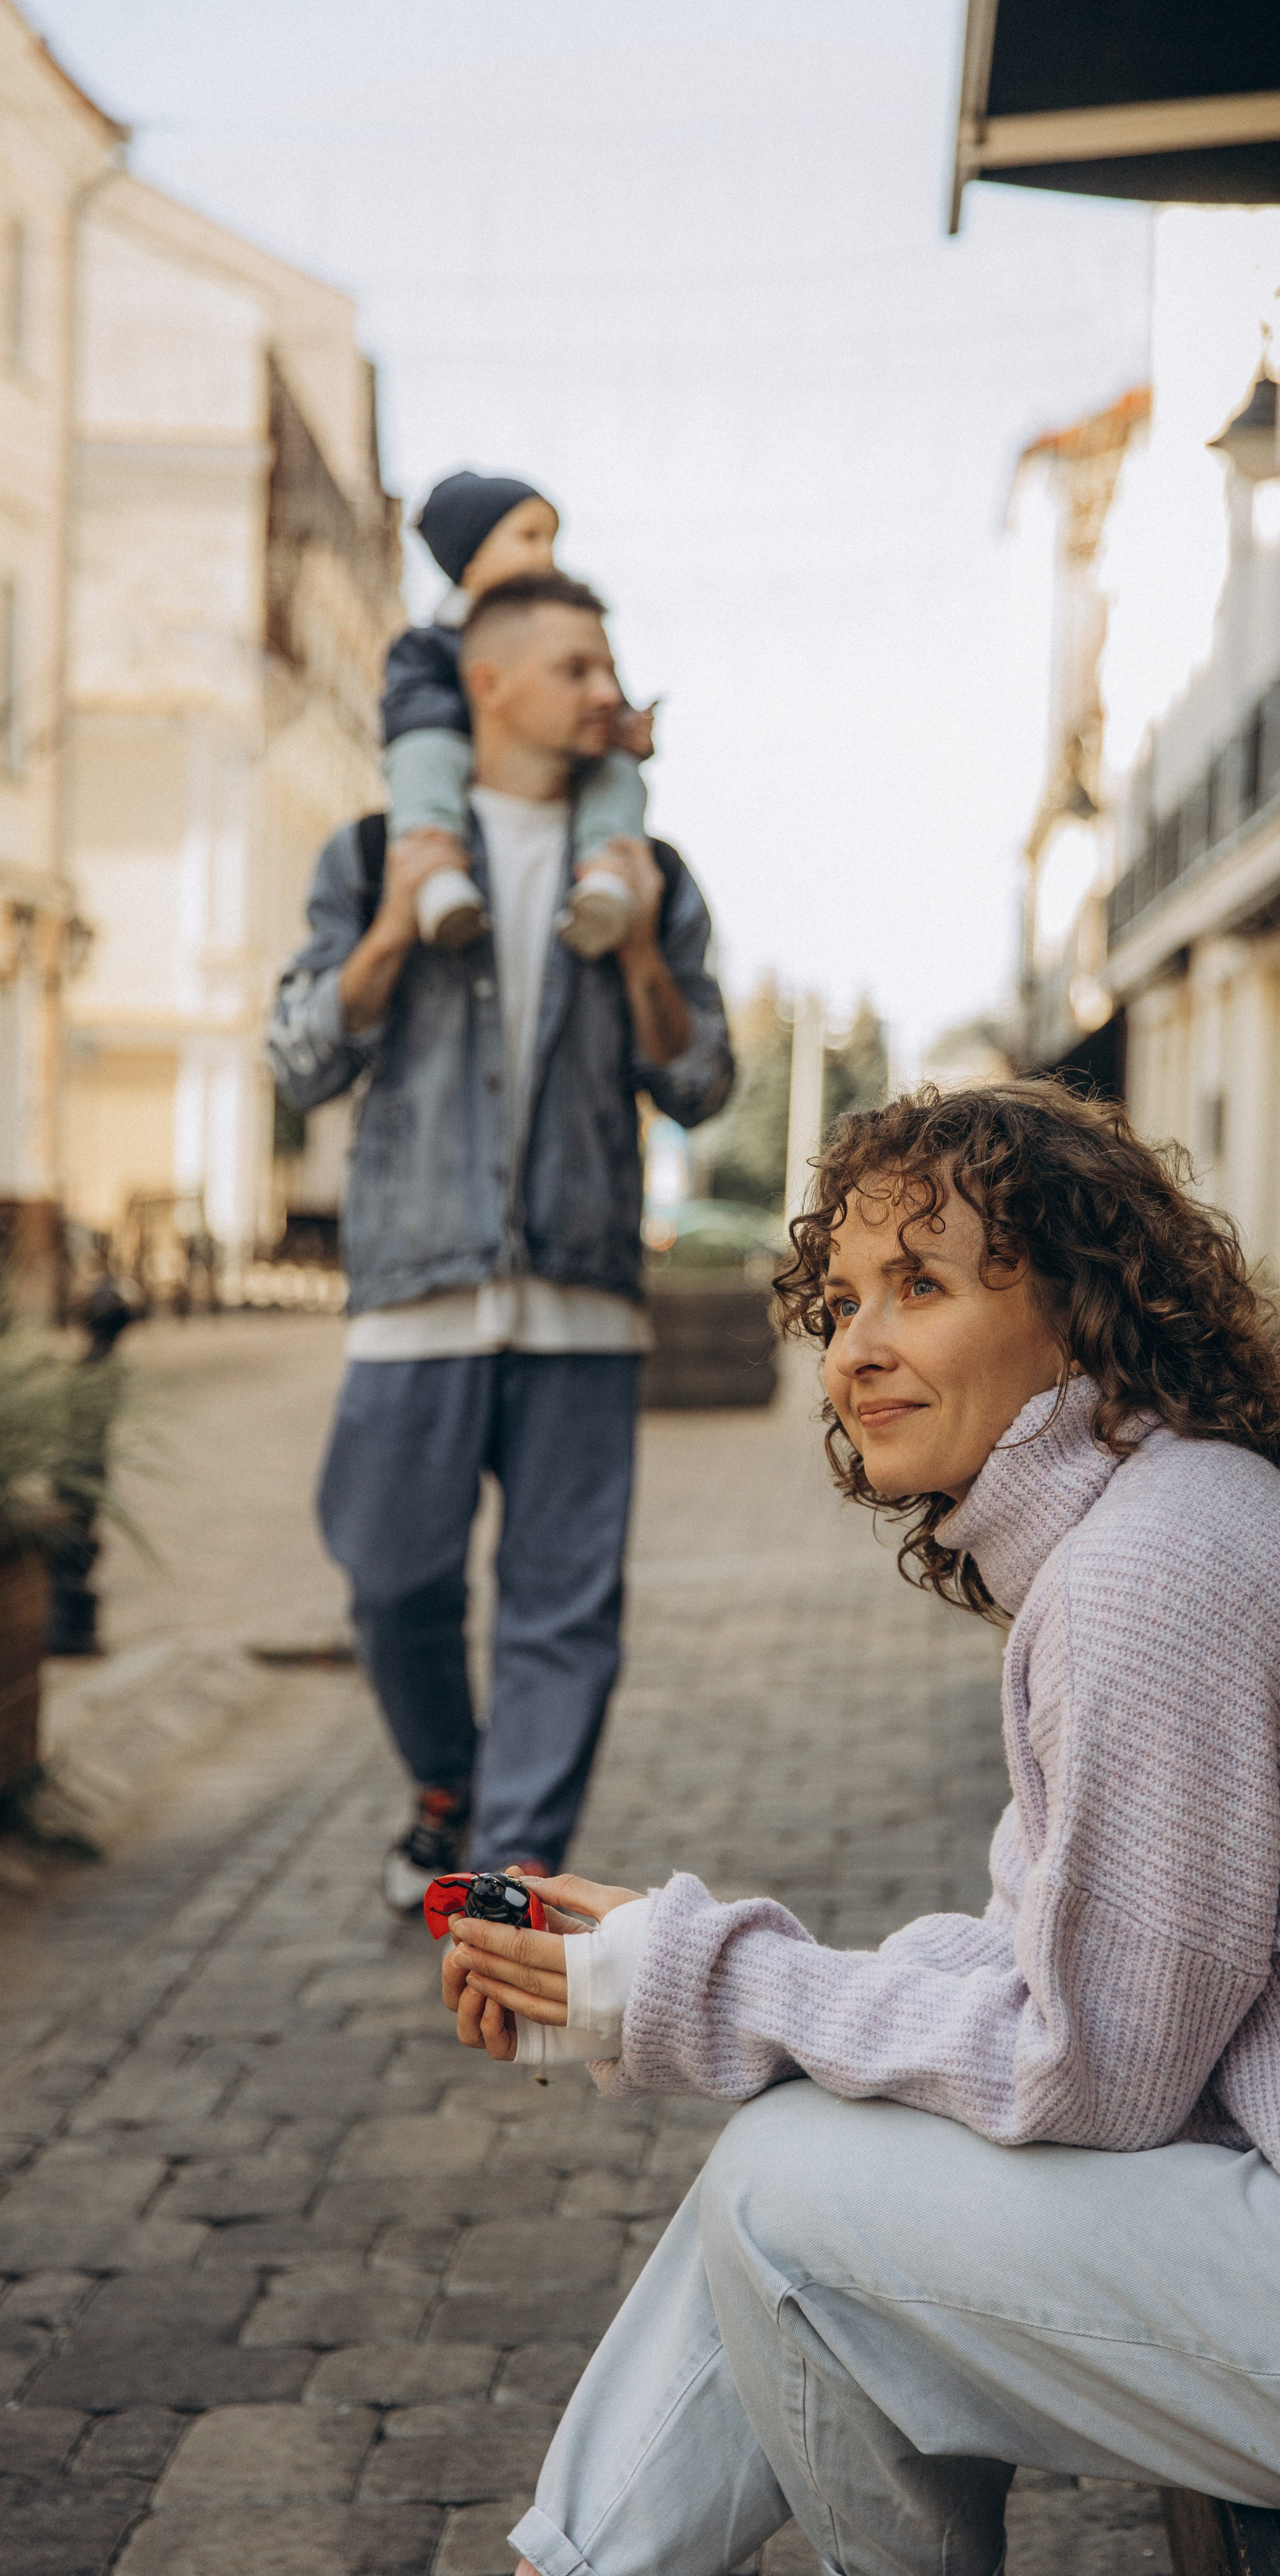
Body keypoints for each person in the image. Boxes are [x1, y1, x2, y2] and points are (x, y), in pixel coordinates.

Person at [436, 1081, 1280, 2576]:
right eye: (841, 1301)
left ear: (1078, 1310)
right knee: (796, 2169)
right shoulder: (1143, 1529)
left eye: (920, 1284)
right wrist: (637, 1979)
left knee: (793, 2206)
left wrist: (701, 1981)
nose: (857, 1347)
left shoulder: (1144, 1579)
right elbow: (1031, 1971)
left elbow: (1089, 2073)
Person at [268, 570, 731, 1907]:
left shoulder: (654, 870)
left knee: (562, 1616)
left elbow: (698, 1080)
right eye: (578, 668)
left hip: (585, 1299)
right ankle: (448, 1783)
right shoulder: (369, 853)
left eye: (607, 668)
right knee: (388, 1581)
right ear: (491, 684)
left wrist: (639, 950)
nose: (608, 694)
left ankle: (506, 1887)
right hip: (415, 1297)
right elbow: (299, 1060)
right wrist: (391, 934)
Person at [384, 469, 659, 955]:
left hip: (561, 767)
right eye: (528, 537)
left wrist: (626, 729)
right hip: (447, 749)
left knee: (616, 773)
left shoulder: (569, 627)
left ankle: (607, 872)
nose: (545, 555)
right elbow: (408, 708)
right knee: (422, 754)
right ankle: (435, 871)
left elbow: (604, 701)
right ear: (470, 557)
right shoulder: (429, 642)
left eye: (551, 539)